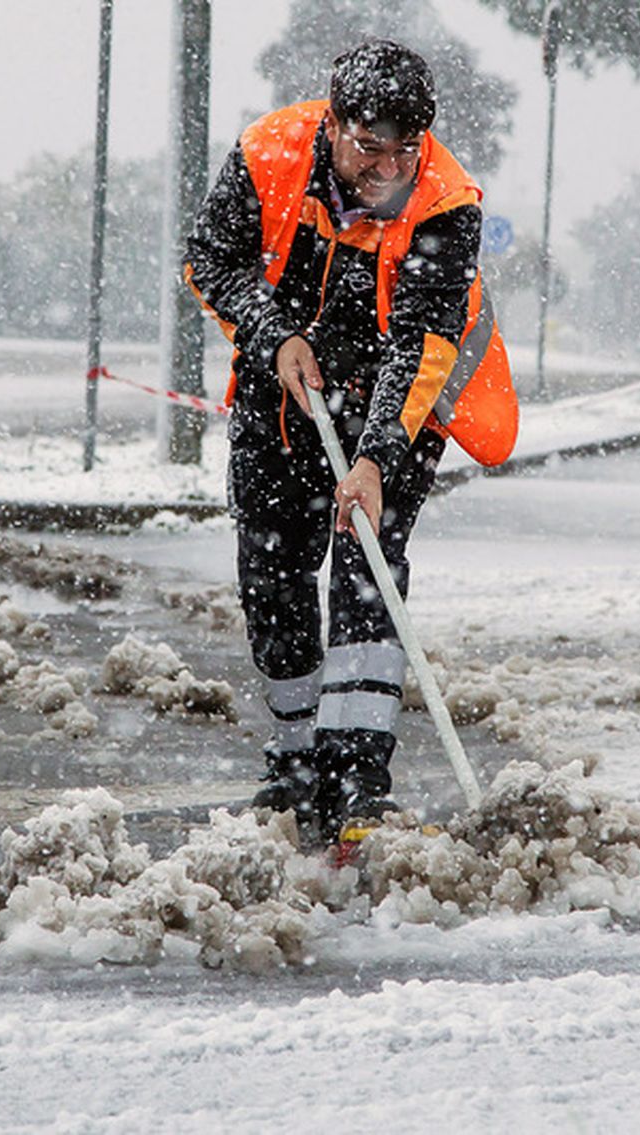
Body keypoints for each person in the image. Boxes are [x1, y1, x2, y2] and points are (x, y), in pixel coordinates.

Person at [183, 39, 512, 842]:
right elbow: (210, 259)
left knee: (369, 573)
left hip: (398, 402)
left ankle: (359, 779)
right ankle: (295, 757)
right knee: (273, 567)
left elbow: (426, 341)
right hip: (282, 390)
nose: (388, 169)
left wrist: (373, 459)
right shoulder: (268, 152)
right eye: (370, 148)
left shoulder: (445, 198)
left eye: (405, 150)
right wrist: (272, 335)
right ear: (334, 126)